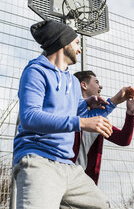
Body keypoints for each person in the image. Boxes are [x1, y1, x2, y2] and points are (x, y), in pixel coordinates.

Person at [13, 20, 125, 208]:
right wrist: (80, 121)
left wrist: (98, 103)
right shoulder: (35, 72)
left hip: (69, 167)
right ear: (63, 43)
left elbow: (79, 114)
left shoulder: (72, 81)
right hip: (39, 161)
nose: (79, 49)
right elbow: (30, 117)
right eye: (76, 43)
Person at [72, 70, 134, 184]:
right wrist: (115, 100)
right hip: (60, 170)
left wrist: (130, 113)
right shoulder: (67, 107)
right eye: (96, 82)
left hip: (82, 177)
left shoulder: (100, 118)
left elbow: (123, 140)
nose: (100, 86)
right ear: (84, 85)